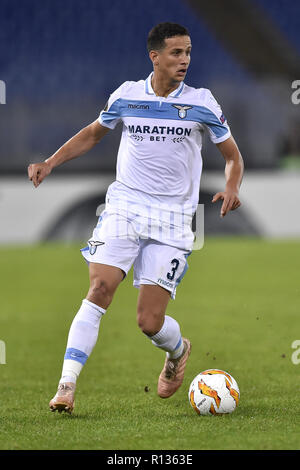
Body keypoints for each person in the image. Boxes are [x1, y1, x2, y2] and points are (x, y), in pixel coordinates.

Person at [28, 22, 244, 414]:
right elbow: (93, 134)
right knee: (99, 290)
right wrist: (50, 162)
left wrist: (232, 187)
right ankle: (66, 385)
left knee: (149, 321)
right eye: (176, 53)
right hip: (125, 208)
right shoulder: (127, 95)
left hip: (174, 220)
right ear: (155, 57)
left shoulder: (202, 102)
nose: (185, 60)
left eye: (189, 52)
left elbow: (232, 156)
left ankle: (177, 351)